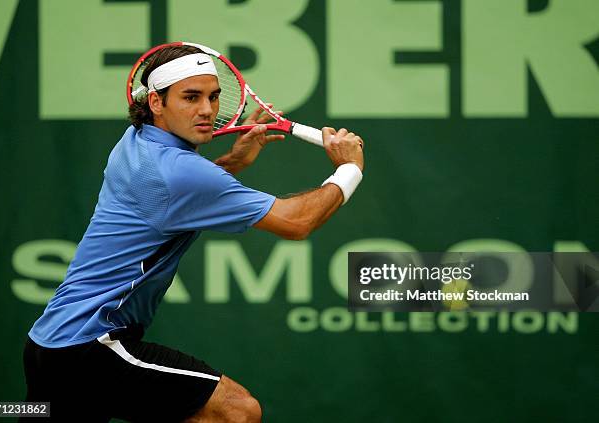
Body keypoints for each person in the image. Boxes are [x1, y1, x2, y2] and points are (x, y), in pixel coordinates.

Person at [22, 44, 364, 422]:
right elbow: (296, 223)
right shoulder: (178, 172)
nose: (206, 110)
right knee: (236, 412)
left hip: (50, 345)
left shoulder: (135, 142)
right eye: (190, 97)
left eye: (214, 97)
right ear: (156, 102)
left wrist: (231, 164)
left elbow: (174, 200)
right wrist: (349, 169)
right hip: (91, 346)